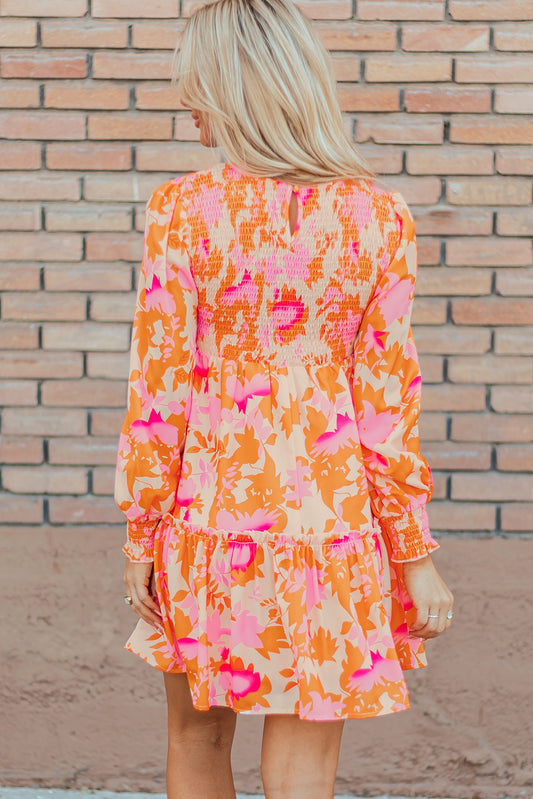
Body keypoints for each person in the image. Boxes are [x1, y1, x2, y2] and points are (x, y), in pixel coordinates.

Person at [114, 1, 454, 797]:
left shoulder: (181, 211)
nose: (186, 102)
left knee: (197, 735)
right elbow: (386, 404)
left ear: (233, 89)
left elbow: (159, 389)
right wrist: (414, 556)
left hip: (209, 518)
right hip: (331, 525)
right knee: (305, 762)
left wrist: (142, 534)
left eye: (195, 85)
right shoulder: (378, 216)